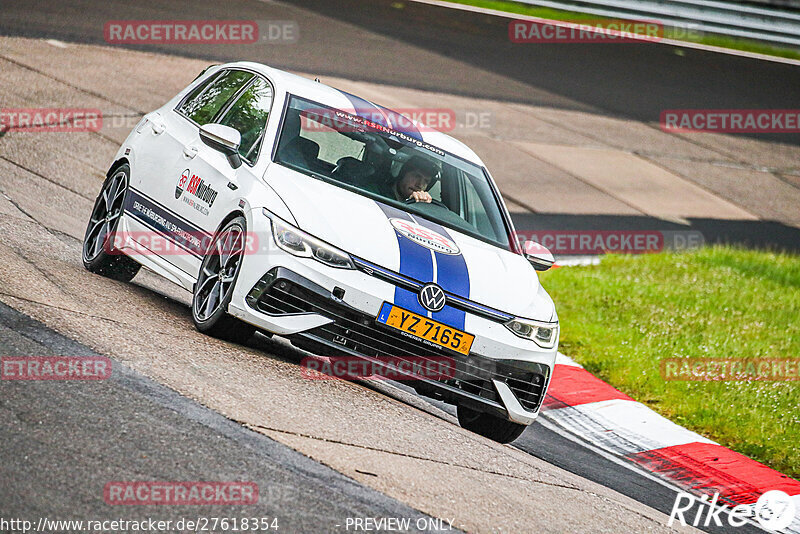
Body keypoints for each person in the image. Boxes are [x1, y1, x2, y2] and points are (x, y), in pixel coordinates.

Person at [366, 155, 438, 203]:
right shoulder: (374, 192)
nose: (420, 185)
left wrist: (420, 206)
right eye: (416, 176)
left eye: (426, 181)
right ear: (403, 174)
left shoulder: (424, 205)